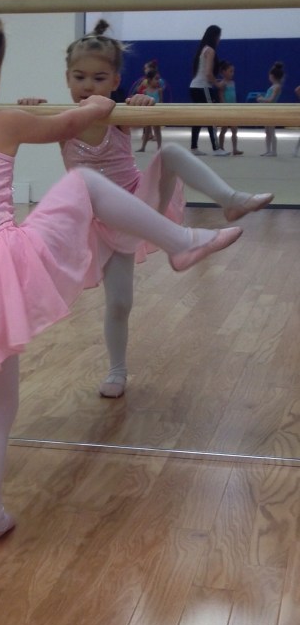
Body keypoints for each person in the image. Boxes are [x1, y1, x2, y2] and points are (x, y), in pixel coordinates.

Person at [0, 0, 244, 547]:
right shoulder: (4, 123)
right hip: (7, 263)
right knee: (84, 181)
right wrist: (98, 103)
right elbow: (71, 125)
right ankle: (180, 241)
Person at [20, 25, 273, 401]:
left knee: (168, 154)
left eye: (99, 78)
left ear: (115, 81)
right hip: (103, 226)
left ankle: (230, 199)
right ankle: (117, 369)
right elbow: (26, 128)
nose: (88, 85)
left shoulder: (118, 115)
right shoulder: (64, 121)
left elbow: (145, 115)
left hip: (140, 206)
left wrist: (143, 102)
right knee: (119, 302)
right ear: (67, 78)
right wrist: (32, 107)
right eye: (79, 77)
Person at [189, 24, 227, 155]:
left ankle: (194, 147)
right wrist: (218, 84)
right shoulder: (210, 50)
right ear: (214, 37)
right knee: (211, 116)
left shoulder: (202, 49)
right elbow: (208, 74)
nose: (219, 39)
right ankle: (216, 148)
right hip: (203, 87)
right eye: (219, 36)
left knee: (198, 118)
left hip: (194, 87)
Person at [256, 61, 285, 156]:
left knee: (271, 131)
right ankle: (268, 150)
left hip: (272, 110)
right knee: (267, 131)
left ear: (272, 76)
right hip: (267, 110)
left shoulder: (277, 87)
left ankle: (274, 151)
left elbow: (271, 99)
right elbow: (268, 98)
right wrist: (262, 98)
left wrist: (261, 99)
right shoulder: (273, 86)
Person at [217, 60, 243, 155]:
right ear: (224, 72)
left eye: (233, 71)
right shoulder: (222, 83)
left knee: (234, 130)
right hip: (226, 109)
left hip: (233, 109)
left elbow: (234, 96)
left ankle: (235, 149)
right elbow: (221, 96)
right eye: (230, 71)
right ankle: (221, 147)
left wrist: (235, 107)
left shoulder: (233, 83)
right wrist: (224, 108)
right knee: (223, 129)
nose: (232, 73)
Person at [136, 65, 163, 152]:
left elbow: (161, 102)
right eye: (156, 79)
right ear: (150, 80)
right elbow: (143, 103)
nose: (158, 81)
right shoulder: (145, 91)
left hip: (156, 112)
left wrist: (160, 112)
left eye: (158, 79)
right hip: (147, 112)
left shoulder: (159, 91)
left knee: (157, 130)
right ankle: (143, 147)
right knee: (147, 130)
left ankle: (159, 147)